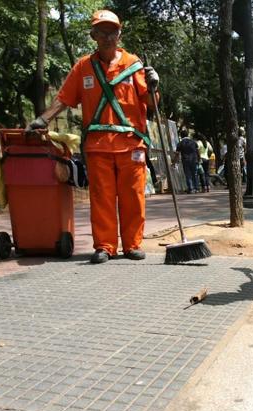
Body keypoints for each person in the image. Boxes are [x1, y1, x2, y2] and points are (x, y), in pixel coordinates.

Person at [26, 9, 160, 264]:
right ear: (94, 35)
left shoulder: (134, 65)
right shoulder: (83, 67)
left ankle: (132, 245)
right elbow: (63, 98)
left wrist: (154, 84)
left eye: (113, 31)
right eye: (103, 31)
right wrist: (42, 119)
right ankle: (105, 246)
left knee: (133, 198)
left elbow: (152, 103)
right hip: (98, 146)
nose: (109, 36)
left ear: (120, 34)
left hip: (131, 143)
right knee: (102, 198)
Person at [173, 129, 199, 193]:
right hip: (194, 160)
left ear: (181, 136)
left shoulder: (180, 143)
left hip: (186, 160)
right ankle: (196, 188)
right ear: (187, 135)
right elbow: (198, 151)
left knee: (188, 175)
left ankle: (191, 188)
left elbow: (177, 154)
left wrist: (174, 162)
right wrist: (199, 158)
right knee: (195, 174)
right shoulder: (193, 142)